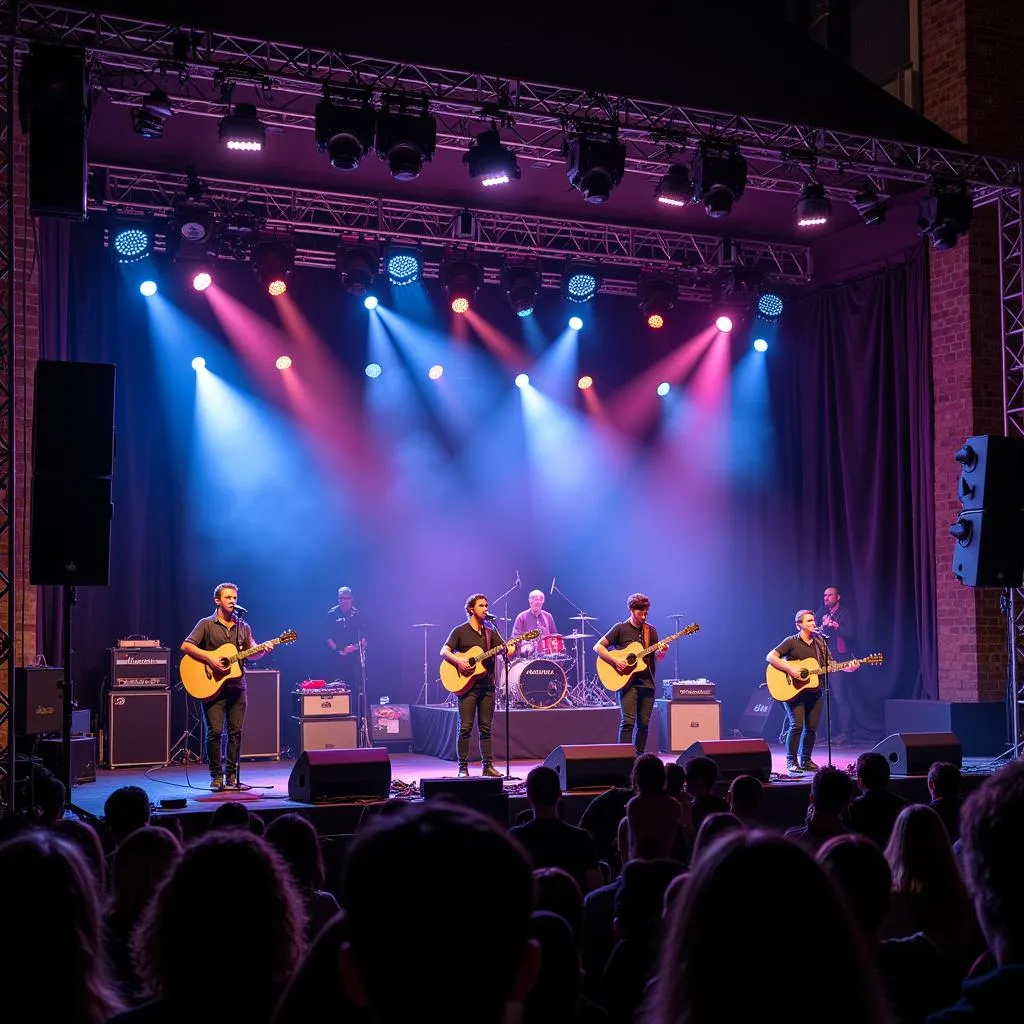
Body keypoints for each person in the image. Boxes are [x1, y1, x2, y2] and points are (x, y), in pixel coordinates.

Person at [181, 582, 269, 791]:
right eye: (228, 598)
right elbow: (186, 646)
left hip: (237, 686)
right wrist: (211, 659)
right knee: (215, 732)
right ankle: (216, 776)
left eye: (235, 598)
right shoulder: (206, 623)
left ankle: (231, 775)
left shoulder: (243, 626)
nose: (232, 601)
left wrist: (264, 650)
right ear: (217, 601)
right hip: (211, 687)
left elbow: (253, 653)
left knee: (236, 732)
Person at [441, 593, 521, 777]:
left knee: (486, 728)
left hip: (487, 687)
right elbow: (444, 651)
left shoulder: (490, 633)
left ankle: (488, 766)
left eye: (486, 605)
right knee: (466, 727)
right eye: (481, 605)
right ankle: (462, 767)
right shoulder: (460, 631)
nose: (486, 608)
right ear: (471, 609)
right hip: (467, 688)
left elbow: (506, 652)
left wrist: (512, 647)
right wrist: (459, 662)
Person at [593, 592, 667, 755]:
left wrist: (662, 653)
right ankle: (623, 758)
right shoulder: (620, 628)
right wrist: (616, 661)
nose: (644, 616)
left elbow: (657, 657)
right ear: (632, 610)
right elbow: (598, 647)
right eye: (641, 613)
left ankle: (639, 758)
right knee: (628, 722)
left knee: (644, 724)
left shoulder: (651, 632)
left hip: (647, 683)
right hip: (627, 684)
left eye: (646, 612)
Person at [766, 608, 829, 774]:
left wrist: (848, 667)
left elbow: (830, 664)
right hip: (793, 692)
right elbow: (771, 656)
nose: (813, 623)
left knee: (811, 728)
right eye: (808, 621)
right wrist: (791, 670)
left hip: (815, 691)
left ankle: (806, 760)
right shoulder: (791, 641)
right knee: (797, 726)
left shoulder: (820, 643)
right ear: (798, 625)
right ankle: (791, 761)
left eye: (813, 620)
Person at [816, 584, 860, 745]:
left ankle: (846, 734)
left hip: (841, 661)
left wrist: (834, 625)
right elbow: (814, 630)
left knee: (840, 697)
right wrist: (822, 625)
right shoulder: (822, 612)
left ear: (838, 597)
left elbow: (851, 634)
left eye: (830, 595)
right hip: (824, 660)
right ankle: (825, 733)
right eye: (825, 595)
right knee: (824, 697)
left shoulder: (845, 613)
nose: (826, 598)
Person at [326, 585, 365, 683]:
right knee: (338, 685)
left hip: (355, 656)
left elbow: (365, 637)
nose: (344, 601)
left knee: (356, 684)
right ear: (338, 599)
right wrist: (338, 650)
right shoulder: (332, 613)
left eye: (346, 598)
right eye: (341, 598)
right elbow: (327, 636)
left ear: (351, 599)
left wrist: (354, 647)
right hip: (337, 657)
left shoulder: (357, 613)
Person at [512, 589, 558, 658]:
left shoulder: (548, 616)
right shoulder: (521, 617)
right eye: (536, 599)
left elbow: (554, 635)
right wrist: (524, 645)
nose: (539, 602)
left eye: (541, 600)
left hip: (547, 656)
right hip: (527, 657)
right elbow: (514, 638)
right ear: (530, 601)